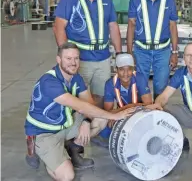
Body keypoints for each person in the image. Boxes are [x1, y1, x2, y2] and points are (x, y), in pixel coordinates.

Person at [24, 43, 134, 181]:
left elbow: (89, 104)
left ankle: (72, 150)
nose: (73, 63)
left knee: (100, 119)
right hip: (44, 133)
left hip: (63, 126)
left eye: (76, 58)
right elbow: (81, 107)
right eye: (68, 59)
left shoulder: (76, 78)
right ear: (59, 60)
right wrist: (114, 115)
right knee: (67, 176)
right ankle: (46, 155)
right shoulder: (49, 82)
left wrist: (86, 122)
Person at [53, 0, 122, 108]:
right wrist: (66, 57)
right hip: (80, 59)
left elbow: (113, 27)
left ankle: (98, 126)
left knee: (102, 97)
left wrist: (119, 53)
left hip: (102, 59)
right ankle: (82, 128)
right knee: (78, 98)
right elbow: (59, 27)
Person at [127, 0, 179, 100]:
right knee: (140, 86)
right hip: (141, 51)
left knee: (161, 88)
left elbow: (173, 27)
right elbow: (131, 25)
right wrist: (129, 52)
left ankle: (157, 115)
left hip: (163, 51)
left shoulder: (169, 0)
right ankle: (141, 115)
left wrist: (174, 52)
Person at [91, 53, 161, 148]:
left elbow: (148, 107)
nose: (125, 74)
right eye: (121, 69)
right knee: (103, 125)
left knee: (152, 124)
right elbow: (109, 112)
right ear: (116, 70)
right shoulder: (110, 83)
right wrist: (117, 115)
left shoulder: (140, 78)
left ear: (133, 69)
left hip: (140, 115)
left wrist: (126, 109)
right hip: (122, 116)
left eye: (129, 69)